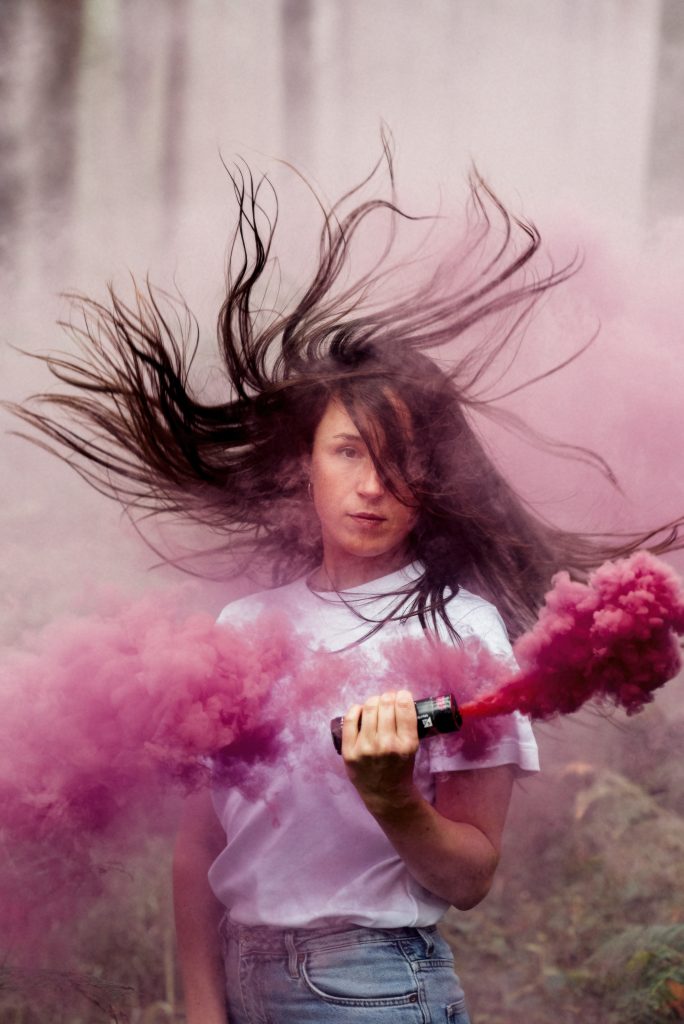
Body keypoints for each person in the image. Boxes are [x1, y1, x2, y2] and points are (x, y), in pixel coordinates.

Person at [11, 146, 682, 1022]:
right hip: (241, 980)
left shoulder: (466, 637)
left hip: (371, 989)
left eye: (401, 462)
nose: (373, 485)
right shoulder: (245, 627)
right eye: (348, 452)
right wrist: (204, 1010)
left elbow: (472, 877)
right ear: (306, 465)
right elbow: (199, 848)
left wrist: (393, 796)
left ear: (432, 483)